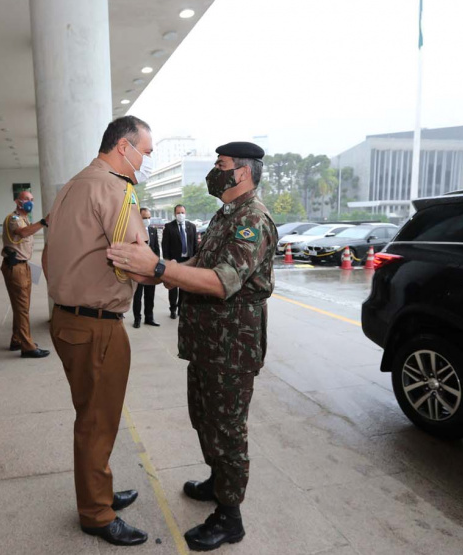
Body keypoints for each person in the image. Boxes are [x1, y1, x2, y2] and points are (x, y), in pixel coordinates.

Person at [106, 142, 277, 552]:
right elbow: (196, 269)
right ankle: (219, 483)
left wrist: (160, 268)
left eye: (221, 166)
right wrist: (152, 272)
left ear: (243, 173)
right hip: (208, 344)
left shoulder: (252, 219)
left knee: (228, 429)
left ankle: (230, 516)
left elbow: (221, 281)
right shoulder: (225, 215)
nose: (214, 173)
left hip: (232, 347)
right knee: (204, 417)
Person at [42, 115, 153, 547]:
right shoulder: (115, 188)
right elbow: (138, 262)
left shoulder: (71, 185)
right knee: (97, 421)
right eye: (145, 151)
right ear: (123, 148)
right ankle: (96, 513)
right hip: (97, 326)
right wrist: (163, 273)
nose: (146, 160)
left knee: (91, 415)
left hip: (67, 319)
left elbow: (49, 255)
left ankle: (97, 492)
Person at [1, 190, 50, 358]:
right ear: (17, 201)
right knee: (22, 308)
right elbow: (22, 233)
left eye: (32, 199)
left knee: (22, 306)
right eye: (27, 199)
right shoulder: (13, 219)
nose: (30, 202)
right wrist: (44, 222)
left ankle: (17, 339)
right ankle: (27, 347)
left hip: (24, 266)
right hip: (15, 267)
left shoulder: (24, 219)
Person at [161, 204, 196, 319]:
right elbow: (165, 246)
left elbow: (194, 244)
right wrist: (168, 261)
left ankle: (181, 308)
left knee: (184, 286)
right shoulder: (169, 227)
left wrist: (194, 259)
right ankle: (173, 309)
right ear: (175, 214)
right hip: (174, 261)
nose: (180, 215)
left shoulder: (192, 226)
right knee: (173, 286)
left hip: (188, 260)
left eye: (182, 212)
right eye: (178, 213)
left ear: (185, 213)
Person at [131, 207, 160, 329]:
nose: (147, 220)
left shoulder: (153, 230)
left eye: (149, 217)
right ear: (139, 218)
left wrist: (157, 265)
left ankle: (149, 317)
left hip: (151, 269)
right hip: (138, 269)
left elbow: (157, 249)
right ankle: (137, 319)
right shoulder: (134, 231)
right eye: (144, 218)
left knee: (150, 295)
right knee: (138, 296)